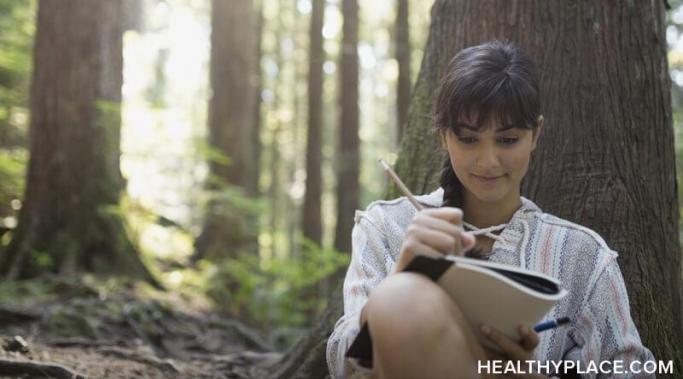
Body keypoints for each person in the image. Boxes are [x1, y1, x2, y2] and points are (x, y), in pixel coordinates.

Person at [326, 41, 655, 379]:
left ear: (535, 134)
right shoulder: (386, 227)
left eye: (507, 139)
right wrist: (399, 285)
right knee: (400, 295)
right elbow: (341, 362)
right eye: (468, 139)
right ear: (444, 137)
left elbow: (632, 371)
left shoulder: (582, 256)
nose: (488, 161)